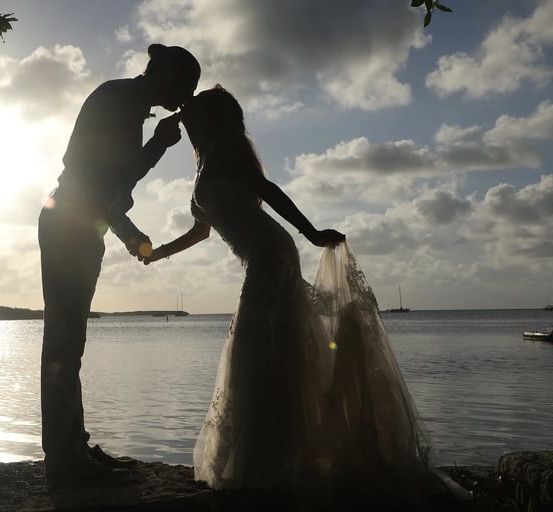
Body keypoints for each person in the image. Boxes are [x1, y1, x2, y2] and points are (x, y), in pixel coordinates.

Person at [143, 85, 470, 507]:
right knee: (262, 351)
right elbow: (202, 230)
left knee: (257, 350)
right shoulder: (205, 160)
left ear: (208, 119)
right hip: (264, 258)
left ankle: (270, 464)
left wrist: (311, 232)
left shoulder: (226, 149)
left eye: (192, 110)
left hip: (272, 255)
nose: (183, 113)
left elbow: (269, 189)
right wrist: (158, 253)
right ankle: (271, 459)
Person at [38, 44, 200, 486]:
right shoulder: (121, 102)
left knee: (70, 343)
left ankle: (72, 447)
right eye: (185, 87)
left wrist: (127, 232)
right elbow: (110, 179)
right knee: (64, 343)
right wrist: (160, 146)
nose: (186, 99)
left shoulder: (125, 101)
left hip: (77, 219)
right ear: (165, 76)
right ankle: (66, 459)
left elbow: (99, 189)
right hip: (70, 223)